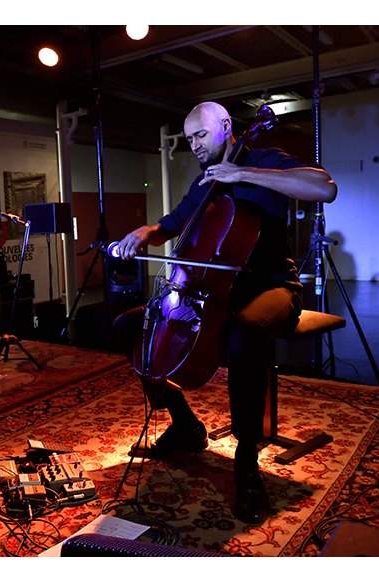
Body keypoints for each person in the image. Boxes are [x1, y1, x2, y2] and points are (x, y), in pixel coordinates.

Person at [114, 101, 337, 524]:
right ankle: (184, 423)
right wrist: (146, 232)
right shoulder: (204, 184)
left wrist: (242, 174)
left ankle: (247, 459)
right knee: (130, 327)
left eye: (200, 135)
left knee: (244, 332)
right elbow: (173, 224)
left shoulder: (262, 161)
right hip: (214, 290)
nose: (194, 145)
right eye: (189, 138)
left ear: (226, 126)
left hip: (273, 285)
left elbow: (325, 187)